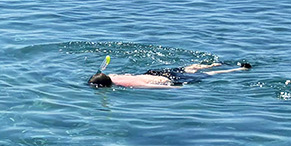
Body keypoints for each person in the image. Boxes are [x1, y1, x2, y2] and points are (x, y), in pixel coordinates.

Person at [89, 60, 253, 89]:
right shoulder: (114, 75)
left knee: (210, 75)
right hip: (155, 72)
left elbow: (149, 86)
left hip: (164, 79)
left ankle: (238, 69)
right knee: (189, 68)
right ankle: (211, 63)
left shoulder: (122, 84)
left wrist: (176, 89)